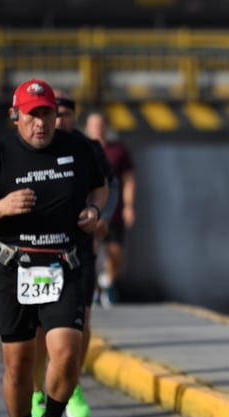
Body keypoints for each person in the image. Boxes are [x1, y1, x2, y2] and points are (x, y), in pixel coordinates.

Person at [0, 79, 107, 417]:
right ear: (16, 116)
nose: (40, 123)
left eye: (46, 114)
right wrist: (3, 206)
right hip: (11, 268)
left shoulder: (78, 149)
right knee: (19, 367)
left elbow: (100, 186)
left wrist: (94, 212)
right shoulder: (0, 157)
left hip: (63, 263)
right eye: (32, 115)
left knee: (67, 353)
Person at [30, 89, 118, 417]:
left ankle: (71, 383)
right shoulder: (36, 148)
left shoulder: (88, 148)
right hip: (42, 248)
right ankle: (39, 391)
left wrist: (101, 217)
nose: (60, 119)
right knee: (40, 328)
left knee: (81, 321)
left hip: (81, 248)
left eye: (66, 113)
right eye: (56, 112)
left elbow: (108, 185)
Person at [83, 109, 135, 307]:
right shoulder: (82, 149)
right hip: (89, 212)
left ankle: (108, 282)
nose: (97, 128)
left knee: (115, 253)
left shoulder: (118, 151)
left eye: (100, 124)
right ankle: (95, 289)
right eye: (93, 125)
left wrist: (129, 206)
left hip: (112, 212)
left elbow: (128, 180)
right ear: (87, 128)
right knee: (92, 251)